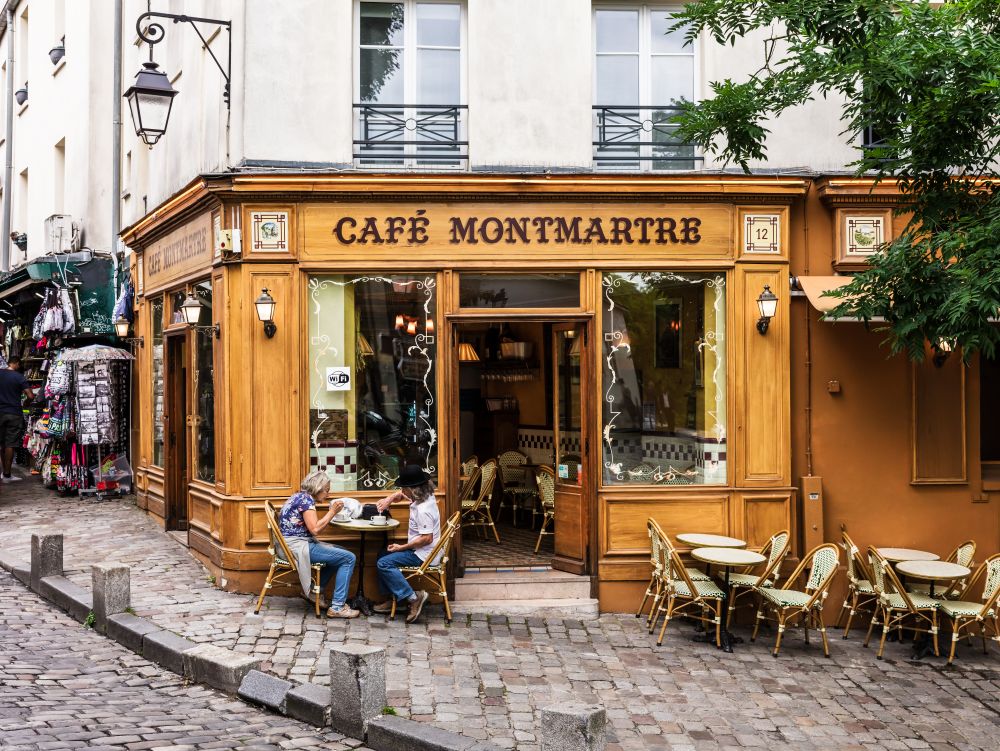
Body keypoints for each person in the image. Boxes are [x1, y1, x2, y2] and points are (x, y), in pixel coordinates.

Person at [277, 471, 359, 618]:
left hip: (287, 545)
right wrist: (332, 512)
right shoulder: (306, 501)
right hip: (294, 548)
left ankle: (316, 592)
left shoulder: (298, 496)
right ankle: (338, 607)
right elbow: (315, 529)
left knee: (339, 552)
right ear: (318, 488)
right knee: (348, 558)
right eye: (327, 490)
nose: (328, 494)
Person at [373, 464, 440, 624]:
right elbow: (402, 495)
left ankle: (413, 598)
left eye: (404, 488)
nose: (402, 491)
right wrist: (389, 499)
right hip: (422, 550)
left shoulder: (424, 509)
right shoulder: (425, 496)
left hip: (424, 555)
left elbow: (427, 539)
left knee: (384, 563)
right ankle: (394, 598)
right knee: (382, 554)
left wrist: (401, 547)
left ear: (413, 489)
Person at [0, 358, 32, 482]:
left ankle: (4, 473)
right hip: (14, 413)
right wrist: (25, 403)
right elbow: (30, 395)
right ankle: (7, 475)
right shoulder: (19, 377)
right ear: (17, 364)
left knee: (2, 443)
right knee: (10, 444)